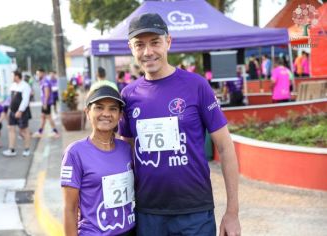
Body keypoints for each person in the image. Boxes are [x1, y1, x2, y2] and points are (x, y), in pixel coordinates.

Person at [120, 13, 240, 236]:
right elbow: (123, 155)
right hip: (149, 215)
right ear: (131, 47)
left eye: (155, 42)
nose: (148, 52)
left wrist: (232, 212)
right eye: (139, 45)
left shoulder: (197, 86)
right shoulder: (128, 95)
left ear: (168, 41)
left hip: (195, 213)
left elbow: (225, 147)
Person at [61, 85, 135, 236]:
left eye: (113, 109)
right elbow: (70, 208)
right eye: (99, 107)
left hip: (130, 231)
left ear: (120, 115)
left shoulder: (126, 149)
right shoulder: (75, 152)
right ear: (88, 112)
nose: (106, 114)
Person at [2, 71, 32, 157]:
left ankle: (27, 149)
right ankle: (12, 149)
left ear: (17, 76)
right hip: (12, 111)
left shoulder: (25, 86)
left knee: (24, 130)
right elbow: (10, 99)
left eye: (12, 76)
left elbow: (25, 100)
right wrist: (7, 109)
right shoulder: (13, 86)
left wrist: (20, 111)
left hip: (22, 112)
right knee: (11, 129)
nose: (11, 78)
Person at [32, 68, 60, 138]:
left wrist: (45, 103)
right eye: (37, 74)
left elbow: (47, 93)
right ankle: (40, 131)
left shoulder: (45, 82)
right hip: (44, 102)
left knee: (49, 117)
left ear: (43, 73)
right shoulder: (42, 81)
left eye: (38, 73)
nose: (37, 75)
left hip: (46, 103)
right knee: (43, 117)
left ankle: (55, 132)